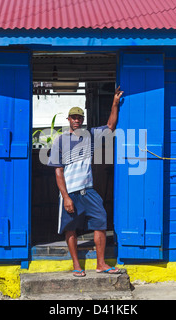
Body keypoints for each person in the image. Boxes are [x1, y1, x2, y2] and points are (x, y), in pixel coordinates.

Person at [47, 86, 123, 277]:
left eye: (79, 117)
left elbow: (111, 126)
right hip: (70, 191)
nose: (77, 120)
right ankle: (76, 265)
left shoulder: (90, 136)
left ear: (82, 120)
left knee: (101, 221)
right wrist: (65, 197)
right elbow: (58, 171)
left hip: (88, 190)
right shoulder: (60, 140)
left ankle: (101, 264)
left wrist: (114, 102)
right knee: (70, 228)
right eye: (73, 117)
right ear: (69, 119)